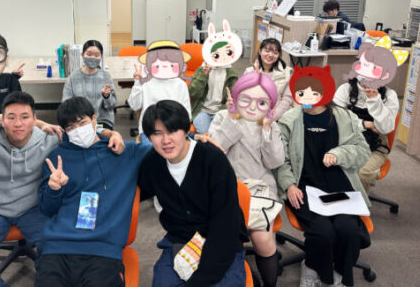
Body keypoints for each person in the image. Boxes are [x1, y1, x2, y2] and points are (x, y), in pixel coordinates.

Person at [0, 92, 125, 287]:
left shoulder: (51, 139)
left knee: (58, 251)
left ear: (34, 119)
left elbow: (83, 132)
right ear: (1, 120)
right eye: (11, 117)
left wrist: (112, 133)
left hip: (35, 208)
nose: (18, 124)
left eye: (25, 117)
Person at [35, 96, 151, 287]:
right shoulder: (56, 157)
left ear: (94, 119)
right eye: (71, 128)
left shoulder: (125, 152)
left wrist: (196, 138)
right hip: (58, 248)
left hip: (103, 250)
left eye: (82, 123)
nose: (78, 130)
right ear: (64, 131)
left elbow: (167, 147)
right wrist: (53, 189)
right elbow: (47, 209)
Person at [275, 65, 371, 287]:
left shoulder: (344, 117)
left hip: (339, 186)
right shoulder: (289, 120)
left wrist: (339, 154)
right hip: (305, 187)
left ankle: (340, 273)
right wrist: (289, 185)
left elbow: (362, 151)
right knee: (323, 232)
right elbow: (281, 160)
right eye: (301, 92)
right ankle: (313, 267)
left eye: (314, 92)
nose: (307, 97)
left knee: (348, 230)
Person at [138, 100, 247, 287]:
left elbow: (225, 224)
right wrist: (108, 132)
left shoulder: (213, 160)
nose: (166, 140)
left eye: (172, 131)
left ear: (186, 130)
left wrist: (201, 279)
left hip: (222, 239)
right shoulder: (152, 163)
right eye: (157, 133)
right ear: (148, 137)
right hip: (180, 239)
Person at [208, 72, 284, 287]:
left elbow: (275, 162)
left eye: (261, 103)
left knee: (262, 239)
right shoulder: (222, 117)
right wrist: (232, 120)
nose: (252, 107)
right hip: (225, 188)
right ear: (236, 97)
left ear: (270, 105)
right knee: (223, 235)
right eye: (245, 100)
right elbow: (213, 152)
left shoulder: (271, 125)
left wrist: (267, 129)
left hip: (259, 189)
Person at [335, 36, 406, 192]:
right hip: (346, 139)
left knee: (362, 173)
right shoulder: (345, 90)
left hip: (375, 145)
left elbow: (385, 128)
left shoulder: (390, 95)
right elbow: (336, 121)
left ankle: (360, 204)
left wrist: (375, 100)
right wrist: (366, 124)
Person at [128, 40, 192, 137]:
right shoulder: (146, 82)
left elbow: (187, 114)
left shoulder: (180, 84)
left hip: (173, 129)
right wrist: (138, 83)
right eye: (158, 64)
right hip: (149, 130)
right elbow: (134, 106)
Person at [189, 20, 241, 134]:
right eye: (217, 54)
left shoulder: (231, 73)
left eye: (226, 53)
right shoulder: (202, 69)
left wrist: (228, 106)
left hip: (221, 111)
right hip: (202, 110)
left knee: (221, 134)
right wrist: (203, 76)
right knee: (205, 134)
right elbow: (193, 93)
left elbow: (234, 97)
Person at [62, 39, 117, 129]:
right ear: (82, 55)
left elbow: (111, 105)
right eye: (89, 54)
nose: (92, 58)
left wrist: (107, 97)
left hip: (102, 121)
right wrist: (81, 121)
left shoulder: (106, 76)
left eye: (97, 55)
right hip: (79, 122)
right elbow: (66, 104)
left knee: (103, 137)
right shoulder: (73, 77)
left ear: (101, 57)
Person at [244, 38, 293, 120]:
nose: (270, 55)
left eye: (275, 53)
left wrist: (274, 116)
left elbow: (287, 99)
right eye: (267, 51)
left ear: (278, 55)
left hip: (277, 115)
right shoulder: (249, 72)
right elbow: (244, 96)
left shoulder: (287, 73)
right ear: (260, 51)